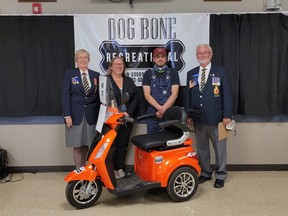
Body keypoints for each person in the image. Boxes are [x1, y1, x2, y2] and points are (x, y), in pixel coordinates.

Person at [186, 44, 233, 188]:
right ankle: (206, 172)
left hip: (217, 118)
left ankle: (220, 175)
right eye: (199, 53)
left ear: (211, 54)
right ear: (196, 56)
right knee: (202, 148)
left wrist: (227, 115)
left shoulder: (221, 71)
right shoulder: (191, 73)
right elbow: (188, 95)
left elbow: (228, 95)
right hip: (198, 119)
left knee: (220, 148)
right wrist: (188, 115)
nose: (202, 55)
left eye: (205, 52)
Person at [62, 49, 100, 168]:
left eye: (85, 57)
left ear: (89, 60)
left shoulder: (96, 75)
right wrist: (67, 115)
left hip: (91, 116)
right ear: (76, 60)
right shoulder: (70, 74)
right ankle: (79, 171)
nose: (83, 60)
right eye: (80, 57)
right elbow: (65, 95)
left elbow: (99, 96)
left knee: (87, 145)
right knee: (77, 145)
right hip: (75, 116)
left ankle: (86, 171)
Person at [107, 56, 138, 179]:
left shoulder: (129, 81)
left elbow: (135, 99)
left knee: (123, 144)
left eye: (121, 64)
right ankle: (112, 169)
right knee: (112, 144)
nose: (119, 66)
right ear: (111, 67)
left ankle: (120, 168)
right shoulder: (106, 80)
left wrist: (128, 113)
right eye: (116, 64)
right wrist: (116, 113)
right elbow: (103, 99)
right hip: (112, 119)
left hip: (127, 118)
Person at [142, 47, 180, 133]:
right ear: (154, 59)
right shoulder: (147, 74)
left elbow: (175, 94)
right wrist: (159, 108)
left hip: (169, 113)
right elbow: (147, 95)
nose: (160, 59)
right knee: (152, 141)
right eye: (157, 57)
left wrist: (164, 109)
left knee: (168, 142)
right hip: (152, 114)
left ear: (166, 59)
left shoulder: (173, 73)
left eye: (162, 57)